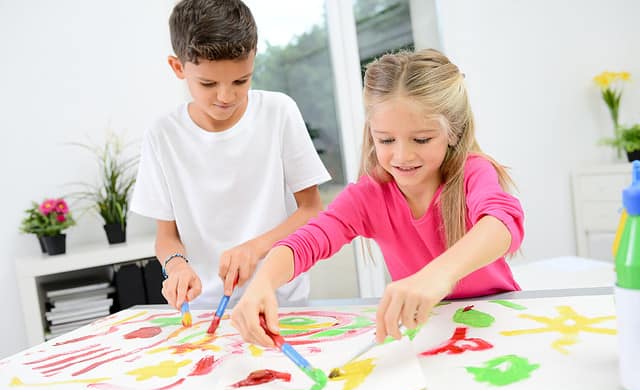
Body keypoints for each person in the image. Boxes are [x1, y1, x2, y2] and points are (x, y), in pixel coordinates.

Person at [231, 49, 525, 347]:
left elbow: (502, 225)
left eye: (421, 139)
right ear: (371, 133)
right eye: (385, 140)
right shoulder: (369, 196)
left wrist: (437, 276)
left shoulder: (473, 172)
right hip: (427, 335)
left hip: (495, 324)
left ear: (453, 132)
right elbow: (308, 240)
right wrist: (263, 283)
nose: (402, 155)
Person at [130, 0, 330, 311]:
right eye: (208, 84)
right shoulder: (163, 134)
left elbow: (312, 209)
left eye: (241, 81)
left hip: (281, 302)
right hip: (206, 308)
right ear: (178, 67)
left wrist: (256, 248)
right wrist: (177, 266)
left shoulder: (279, 113)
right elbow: (166, 237)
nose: (226, 97)